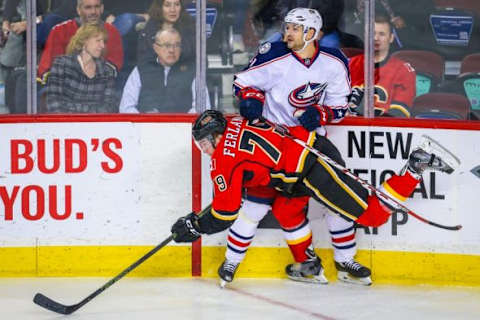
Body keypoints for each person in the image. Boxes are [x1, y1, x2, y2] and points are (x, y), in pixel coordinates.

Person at [170, 110, 457, 287]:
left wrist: (196, 226)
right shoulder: (238, 122)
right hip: (307, 153)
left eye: (205, 142)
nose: (204, 148)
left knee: (372, 215)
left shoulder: (223, 160)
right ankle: (308, 265)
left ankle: (413, 167)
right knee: (285, 211)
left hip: (311, 170)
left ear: (216, 137)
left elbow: (224, 213)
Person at [227, 7, 371, 287]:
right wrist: (251, 99)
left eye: (294, 28)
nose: (287, 32)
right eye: (287, 27)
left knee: (337, 201)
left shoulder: (334, 62)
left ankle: (345, 260)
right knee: (257, 206)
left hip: (310, 144)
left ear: (312, 34)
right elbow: (243, 82)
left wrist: (322, 114)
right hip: (271, 144)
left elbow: (340, 105)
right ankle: (232, 261)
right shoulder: (274, 52)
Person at [119, 27, 210, 113]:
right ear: (156, 48)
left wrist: (181, 123)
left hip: (182, 127)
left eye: (177, 45)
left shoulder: (193, 70)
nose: (172, 50)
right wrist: (145, 121)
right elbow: (126, 107)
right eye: (167, 45)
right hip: (146, 127)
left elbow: (202, 108)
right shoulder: (141, 69)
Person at [37, 0, 123, 84]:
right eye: (88, 7)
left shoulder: (112, 32)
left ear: (102, 8)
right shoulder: (59, 31)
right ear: (78, 10)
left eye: (97, 7)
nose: (93, 12)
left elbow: (113, 67)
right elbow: (46, 69)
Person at [348, 15, 416, 117]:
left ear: (391, 38)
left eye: (382, 34)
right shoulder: (349, 64)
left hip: (384, 130)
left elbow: (398, 114)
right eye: (372, 33)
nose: (376, 38)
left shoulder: (403, 70)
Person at [45, 23, 117, 113]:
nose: (102, 45)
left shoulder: (107, 71)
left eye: (103, 41)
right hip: (65, 124)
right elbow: (53, 103)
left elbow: (109, 108)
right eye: (98, 40)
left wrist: (72, 107)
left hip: (95, 125)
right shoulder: (62, 64)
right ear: (84, 41)